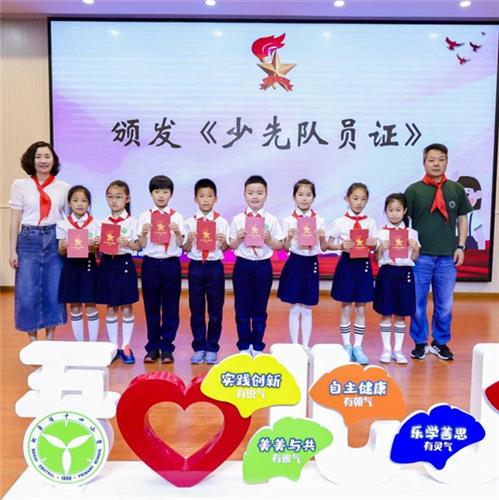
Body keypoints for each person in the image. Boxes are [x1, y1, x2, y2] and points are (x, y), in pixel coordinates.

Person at [405, 143, 472, 361]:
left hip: (447, 257)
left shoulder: (456, 189)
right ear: (424, 162)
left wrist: (461, 246)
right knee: (417, 303)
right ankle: (420, 342)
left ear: (446, 162)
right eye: (431, 160)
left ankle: (440, 342)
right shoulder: (413, 190)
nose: (436, 164)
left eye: (441, 159)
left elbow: (462, 219)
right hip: (420, 257)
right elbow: (404, 222)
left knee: (445, 304)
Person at [9, 141, 69, 342]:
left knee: (53, 289)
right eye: (38, 156)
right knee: (27, 290)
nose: (43, 160)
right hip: (28, 239)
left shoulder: (63, 187)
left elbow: (69, 220)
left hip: (54, 238)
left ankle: (50, 339)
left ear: (54, 160)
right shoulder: (20, 185)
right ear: (31, 160)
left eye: (47, 156)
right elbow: (15, 220)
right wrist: (12, 251)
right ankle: (33, 340)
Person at [229, 175, 284, 356]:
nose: (255, 196)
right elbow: (231, 246)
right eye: (251, 193)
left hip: (263, 267)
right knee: (242, 307)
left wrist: (269, 240)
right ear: (244, 195)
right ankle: (244, 346)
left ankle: (258, 345)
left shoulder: (272, 220)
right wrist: (238, 238)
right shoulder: (238, 219)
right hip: (242, 266)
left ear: (266, 195)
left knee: (260, 307)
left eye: (259, 193)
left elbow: (279, 246)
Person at [326, 182, 378, 365]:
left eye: (363, 199)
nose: (359, 202)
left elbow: (376, 245)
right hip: (347, 265)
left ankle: (358, 346)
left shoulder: (370, 222)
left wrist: (373, 244)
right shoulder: (340, 222)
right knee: (346, 307)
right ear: (347, 199)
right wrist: (341, 246)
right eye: (355, 198)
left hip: (363, 265)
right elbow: (327, 244)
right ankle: (347, 345)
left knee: (361, 308)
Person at [137, 175, 184, 364]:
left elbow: (181, 245)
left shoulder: (177, 216)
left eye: (165, 191)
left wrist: (178, 232)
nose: (161, 195)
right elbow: (141, 245)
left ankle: (167, 348)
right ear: (151, 194)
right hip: (151, 264)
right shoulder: (144, 216)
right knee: (151, 307)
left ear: (171, 194)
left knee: (171, 308)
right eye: (157, 191)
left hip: (171, 264)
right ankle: (152, 347)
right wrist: (143, 233)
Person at [183, 178, 230, 365]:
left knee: (215, 309)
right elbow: (185, 249)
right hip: (196, 266)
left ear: (215, 199)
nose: (205, 200)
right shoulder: (189, 222)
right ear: (195, 199)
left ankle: (212, 347)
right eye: (201, 196)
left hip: (214, 267)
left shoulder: (221, 222)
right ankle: (199, 347)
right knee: (196, 309)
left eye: (209, 196)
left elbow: (225, 248)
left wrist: (223, 242)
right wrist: (189, 240)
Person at [277, 179, 326, 352]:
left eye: (308, 195)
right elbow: (285, 248)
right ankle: (295, 346)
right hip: (295, 262)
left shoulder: (319, 220)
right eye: (300, 195)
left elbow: (324, 247)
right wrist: (290, 237)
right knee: (294, 306)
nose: (304, 198)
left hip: (311, 263)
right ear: (294, 197)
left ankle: (305, 345)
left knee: (307, 307)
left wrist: (321, 237)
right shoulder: (288, 220)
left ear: (314, 197)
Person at [374, 193, 420, 364]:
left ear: (404, 211)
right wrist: (381, 247)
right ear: (386, 211)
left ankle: (398, 350)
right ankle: (386, 349)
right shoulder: (381, 232)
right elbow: (377, 258)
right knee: (386, 312)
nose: (394, 214)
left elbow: (414, 258)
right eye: (390, 210)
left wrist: (415, 248)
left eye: (398, 210)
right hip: (386, 273)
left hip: (404, 273)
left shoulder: (412, 233)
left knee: (401, 314)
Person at [96, 180, 139, 364]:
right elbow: (97, 251)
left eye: (119, 197)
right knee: (111, 307)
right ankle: (113, 346)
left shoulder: (133, 222)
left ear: (127, 199)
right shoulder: (101, 222)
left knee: (127, 306)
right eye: (110, 197)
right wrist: (96, 244)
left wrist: (127, 243)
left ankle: (126, 345)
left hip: (124, 263)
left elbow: (138, 246)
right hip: (107, 264)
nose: (114, 201)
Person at [56, 185, 100, 341]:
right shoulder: (62, 224)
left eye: (84, 200)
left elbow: (97, 251)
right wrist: (63, 247)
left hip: (89, 266)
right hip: (71, 267)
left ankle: (93, 344)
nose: (80, 204)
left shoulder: (96, 224)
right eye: (75, 200)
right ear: (69, 203)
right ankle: (80, 343)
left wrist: (94, 246)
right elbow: (60, 252)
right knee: (74, 306)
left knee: (90, 304)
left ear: (89, 204)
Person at [456, 175, 486, 250]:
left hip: (470, 248)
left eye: (467, 194)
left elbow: (480, 235)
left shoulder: (473, 216)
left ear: (478, 194)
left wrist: (481, 251)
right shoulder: (453, 213)